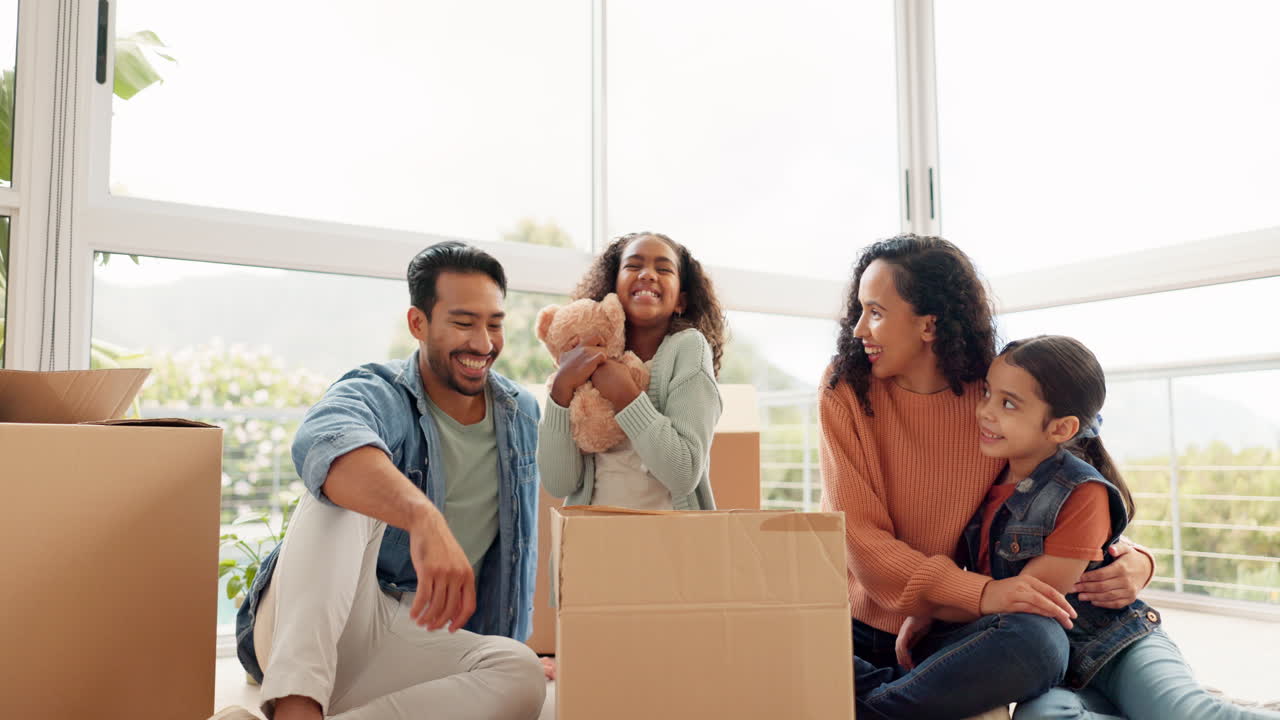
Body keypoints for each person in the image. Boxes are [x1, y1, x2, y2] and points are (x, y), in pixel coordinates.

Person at [819, 235, 1156, 720]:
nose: (858, 329)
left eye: (875, 312)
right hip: (859, 618)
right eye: (860, 310)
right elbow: (859, 538)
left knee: (1039, 643)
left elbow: (1073, 491)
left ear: (928, 324)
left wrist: (1137, 559)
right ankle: (905, 698)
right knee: (759, 638)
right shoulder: (846, 387)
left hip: (952, 628)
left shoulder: (997, 391)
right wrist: (981, 593)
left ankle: (876, 704)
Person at [223, 241, 545, 720]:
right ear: (418, 323)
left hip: (417, 638)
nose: (483, 344)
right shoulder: (379, 391)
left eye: (494, 324)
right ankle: (296, 706)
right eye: (463, 323)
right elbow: (323, 439)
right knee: (343, 483)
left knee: (521, 672)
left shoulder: (520, 413)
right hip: (327, 622)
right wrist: (423, 518)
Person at [909, 334, 1280, 720]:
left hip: (1118, 646)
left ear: (1061, 428)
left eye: (1008, 403)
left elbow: (1028, 597)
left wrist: (933, 610)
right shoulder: (979, 481)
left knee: (1188, 714)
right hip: (1061, 669)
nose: (985, 411)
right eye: (987, 393)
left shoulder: (1081, 491)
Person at [537, 231, 726, 512]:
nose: (647, 274)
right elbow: (558, 484)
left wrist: (626, 397)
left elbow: (684, 474)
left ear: (681, 301)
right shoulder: (587, 354)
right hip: (592, 536)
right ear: (611, 290)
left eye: (664, 269)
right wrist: (561, 387)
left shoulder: (688, 348)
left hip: (668, 538)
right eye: (633, 265)